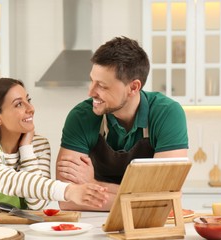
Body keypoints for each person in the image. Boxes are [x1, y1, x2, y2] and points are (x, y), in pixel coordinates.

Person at [56, 36, 188, 211]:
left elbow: (164, 198)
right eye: (91, 81)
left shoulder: (167, 113)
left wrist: (92, 183)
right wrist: (143, 200)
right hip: (91, 224)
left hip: (148, 222)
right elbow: (67, 199)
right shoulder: (81, 117)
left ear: (133, 87)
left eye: (102, 86)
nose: (90, 92)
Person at [0, 78, 108, 211]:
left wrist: (26, 148)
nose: (31, 108)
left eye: (28, 100)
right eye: (19, 104)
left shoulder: (39, 146)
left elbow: (37, 204)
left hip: (17, 235)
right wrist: (69, 191)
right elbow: (11, 181)